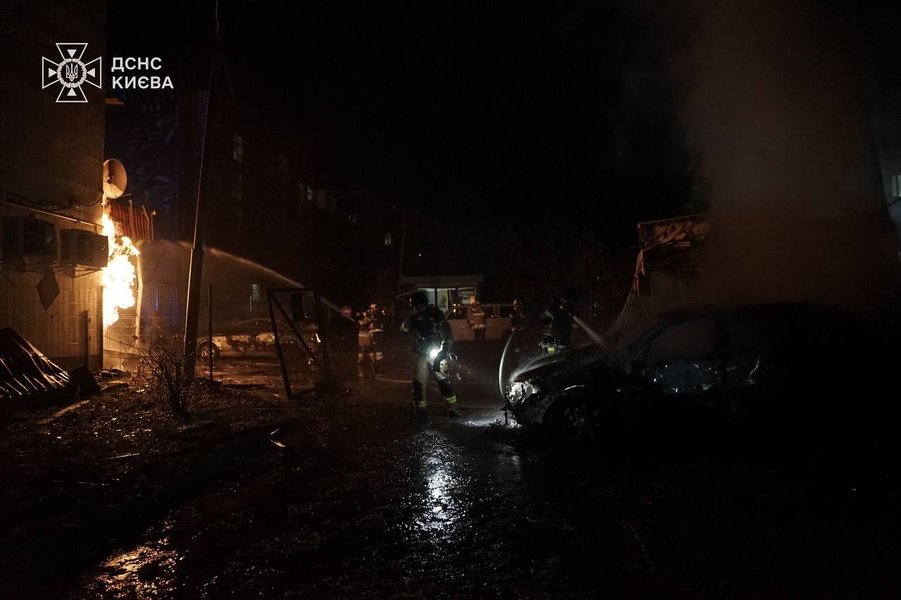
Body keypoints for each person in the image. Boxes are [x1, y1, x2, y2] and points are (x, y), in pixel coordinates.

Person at [400, 291, 461, 420]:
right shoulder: (413, 318)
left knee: (444, 384)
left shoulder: (436, 315)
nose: (416, 308)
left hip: (437, 353)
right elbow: (404, 330)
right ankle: (420, 413)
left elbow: (447, 335)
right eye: (414, 306)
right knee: (418, 385)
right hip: (422, 353)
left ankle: (453, 411)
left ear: (423, 304)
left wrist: (443, 352)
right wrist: (410, 320)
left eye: (418, 306)